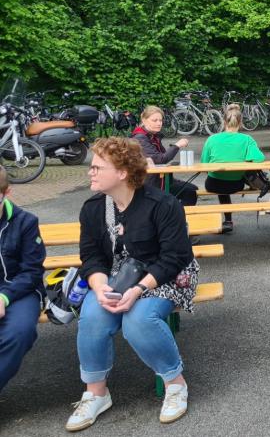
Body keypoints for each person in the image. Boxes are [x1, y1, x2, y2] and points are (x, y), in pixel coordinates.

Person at [69, 137, 198, 430]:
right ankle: (96, 393)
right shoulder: (93, 208)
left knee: (138, 319)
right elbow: (91, 257)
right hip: (119, 275)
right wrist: (100, 287)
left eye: (97, 167)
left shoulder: (163, 204)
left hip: (165, 275)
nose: (90, 172)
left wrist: (139, 289)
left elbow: (175, 257)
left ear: (122, 173)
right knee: (92, 315)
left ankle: (175, 384)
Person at [0, 167, 45, 392]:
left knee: (19, 331)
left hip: (21, 291)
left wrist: (4, 297)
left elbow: (32, 271)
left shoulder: (25, 222)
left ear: (7, 193)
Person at [200, 104, 266, 233]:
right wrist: (246, 160)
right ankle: (256, 184)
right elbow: (259, 158)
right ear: (240, 122)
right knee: (238, 176)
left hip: (213, 184)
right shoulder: (247, 139)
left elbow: (204, 164)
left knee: (220, 183)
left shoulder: (212, 139)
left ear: (224, 121)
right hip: (236, 184)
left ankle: (228, 220)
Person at [132, 106, 197, 207]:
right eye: (154, 120)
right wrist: (177, 145)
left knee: (191, 190)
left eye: (160, 120)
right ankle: (177, 215)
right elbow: (160, 159)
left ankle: (176, 214)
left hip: (160, 179)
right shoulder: (140, 138)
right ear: (144, 120)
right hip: (149, 184)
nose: (159, 123)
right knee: (189, 192)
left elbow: (161, 157)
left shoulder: (153, 136)